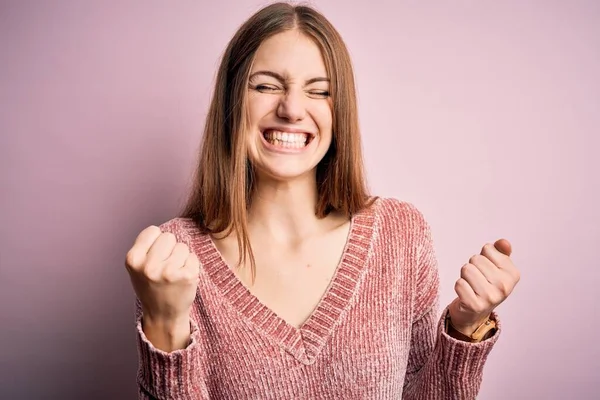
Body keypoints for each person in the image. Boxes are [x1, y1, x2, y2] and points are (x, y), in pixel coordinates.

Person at [124, 2, 521, 399]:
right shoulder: (171, 258)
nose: (292, 109)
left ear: (340, 111)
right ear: (232, 101)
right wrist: (166, 323)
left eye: (319, 91)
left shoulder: (401, 234)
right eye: (265, 85)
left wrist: (466, 327)